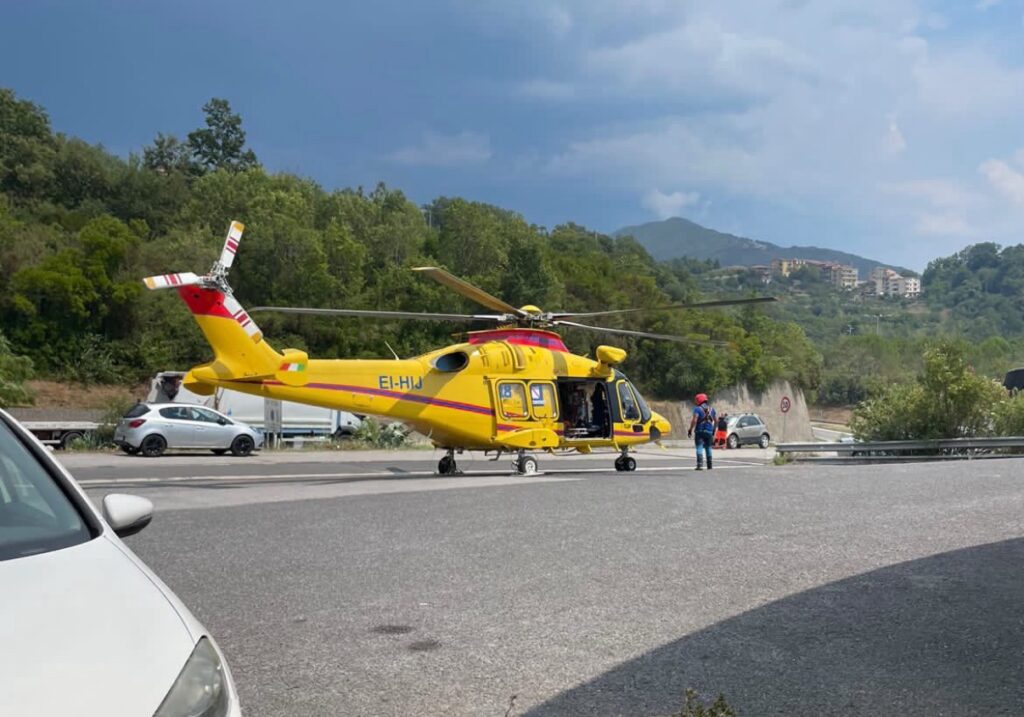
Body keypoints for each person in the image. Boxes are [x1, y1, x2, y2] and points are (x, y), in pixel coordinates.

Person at [687, 392, 716, 470]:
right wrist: (713, 430)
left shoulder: (697, 409)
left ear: (699, 400)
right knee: (708, 447)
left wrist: (690, 429)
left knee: (699, 447)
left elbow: (695, 420)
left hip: (699, 431)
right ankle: (709, 465)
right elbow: (716, 421)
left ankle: (699, 465)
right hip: (709, 431)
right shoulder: (712, 409)